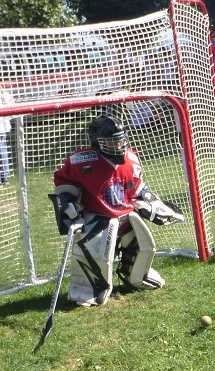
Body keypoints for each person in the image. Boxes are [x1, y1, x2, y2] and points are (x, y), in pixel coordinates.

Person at [52, 115, 184, 306]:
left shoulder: (130, 159)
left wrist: (150, 202)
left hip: (126, 215)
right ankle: (90, 287)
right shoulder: (81, 161)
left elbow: (137, 188)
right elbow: (65, 185)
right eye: (112, 142)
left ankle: (136, 277)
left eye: (121, 140)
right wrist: (69, 206)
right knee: (95, 251)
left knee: (141, 246)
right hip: (98, 218)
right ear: (98, 142)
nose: (119, 145)